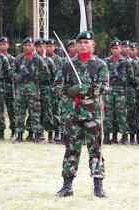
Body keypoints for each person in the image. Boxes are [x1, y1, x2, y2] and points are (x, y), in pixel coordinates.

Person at [53, 31, 109, 197]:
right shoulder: (67, 64)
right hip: (73, 114)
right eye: (80, 42)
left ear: (93, 45)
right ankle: (67, 186)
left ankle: (98, 186)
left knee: (96, 151)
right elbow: (56, 87)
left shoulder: (100, 64)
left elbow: (104, 87)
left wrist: (82, 89)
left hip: (92, 115)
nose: (83, 45)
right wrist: (70, 91)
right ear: (75, 46)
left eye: (86, 42)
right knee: (71, 150)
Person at [13, 37, 50, 143]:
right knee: (20, 112)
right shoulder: (18, 59)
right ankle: (19, 134)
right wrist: (17, 77)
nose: (27, 47)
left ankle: (37, 134)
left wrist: (36, 77)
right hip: (21, 88)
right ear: (23, 46)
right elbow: (12, 71)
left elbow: (46, 73)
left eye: (30, 45)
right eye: (25, 45)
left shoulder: (38, 59)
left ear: (33, 46)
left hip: (33, 88)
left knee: (35, 112)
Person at [103, 39, 133, 145]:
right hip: (109, 90)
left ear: (121, 49)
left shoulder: (125, 62)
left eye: (117, 48)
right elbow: (103, 76)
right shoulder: (106, 61)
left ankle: (124, 136)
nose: (115, 50)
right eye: (113, 48)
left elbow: (131, 77)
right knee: (108, 113)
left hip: (121, 90)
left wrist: (122, 78)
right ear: (111, 50)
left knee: (121, 113)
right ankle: (107, 136)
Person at [33, 38, 54, 142]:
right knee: (36, 111)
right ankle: (38, 132)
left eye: (42, 46)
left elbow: (54, 76)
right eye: (37, 47)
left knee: (47, 111)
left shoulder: (49, 61)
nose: (40, 48)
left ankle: (50, 134)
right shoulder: (32, 60)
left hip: (46, 88)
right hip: (35, 88)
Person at [0, 37, 17, 140]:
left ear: (8, 46)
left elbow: (13, 75)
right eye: (0, 44)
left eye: (4, 44)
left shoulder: (12, 59)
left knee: (12, 110)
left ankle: (13, 132)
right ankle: (1, 133)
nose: (2, 46)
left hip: (10, 88)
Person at [46, 39, 62, 142]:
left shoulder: (59, 60)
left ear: (54, 47)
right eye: (47, 46)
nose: (49, 48)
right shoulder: (43, 59)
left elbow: (60, 75)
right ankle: (50, 134)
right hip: (46, 88)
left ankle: (57, 133)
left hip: (56, 89)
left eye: (51, 46)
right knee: (48, 111)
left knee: (56, 111)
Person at [128, 42, 139, 145]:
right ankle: (131, 137)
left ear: (137, 51)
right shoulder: (125, 62)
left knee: (138, 114)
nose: (131, 51)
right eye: (130, 49)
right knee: (130, 114)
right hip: (129, 91)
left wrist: (138, 81)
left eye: (134, 50)